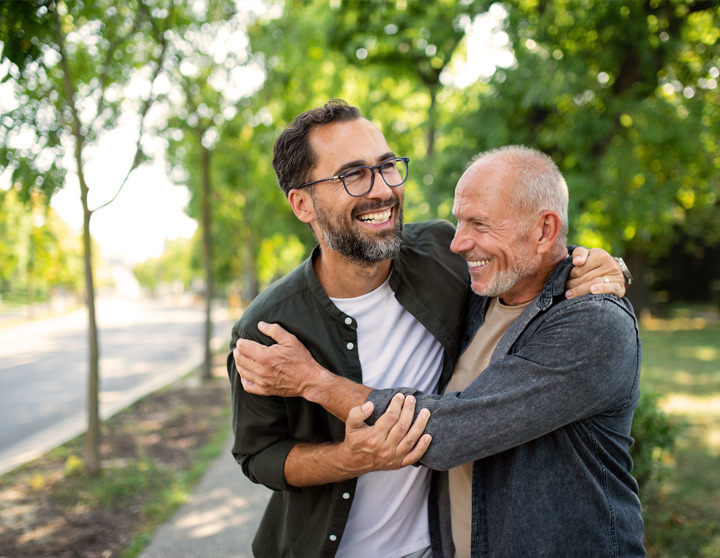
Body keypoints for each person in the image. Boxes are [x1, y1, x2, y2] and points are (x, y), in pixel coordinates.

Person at [228, 100, 627, 558]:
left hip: (432, 547)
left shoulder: (441, 252)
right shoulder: (268, 330)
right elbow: (259, 457)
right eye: (353, 175)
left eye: (386, 167)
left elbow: (522, 249)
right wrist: (348, 459)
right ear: (302, 203)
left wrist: (597, 263)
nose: (381, 190)